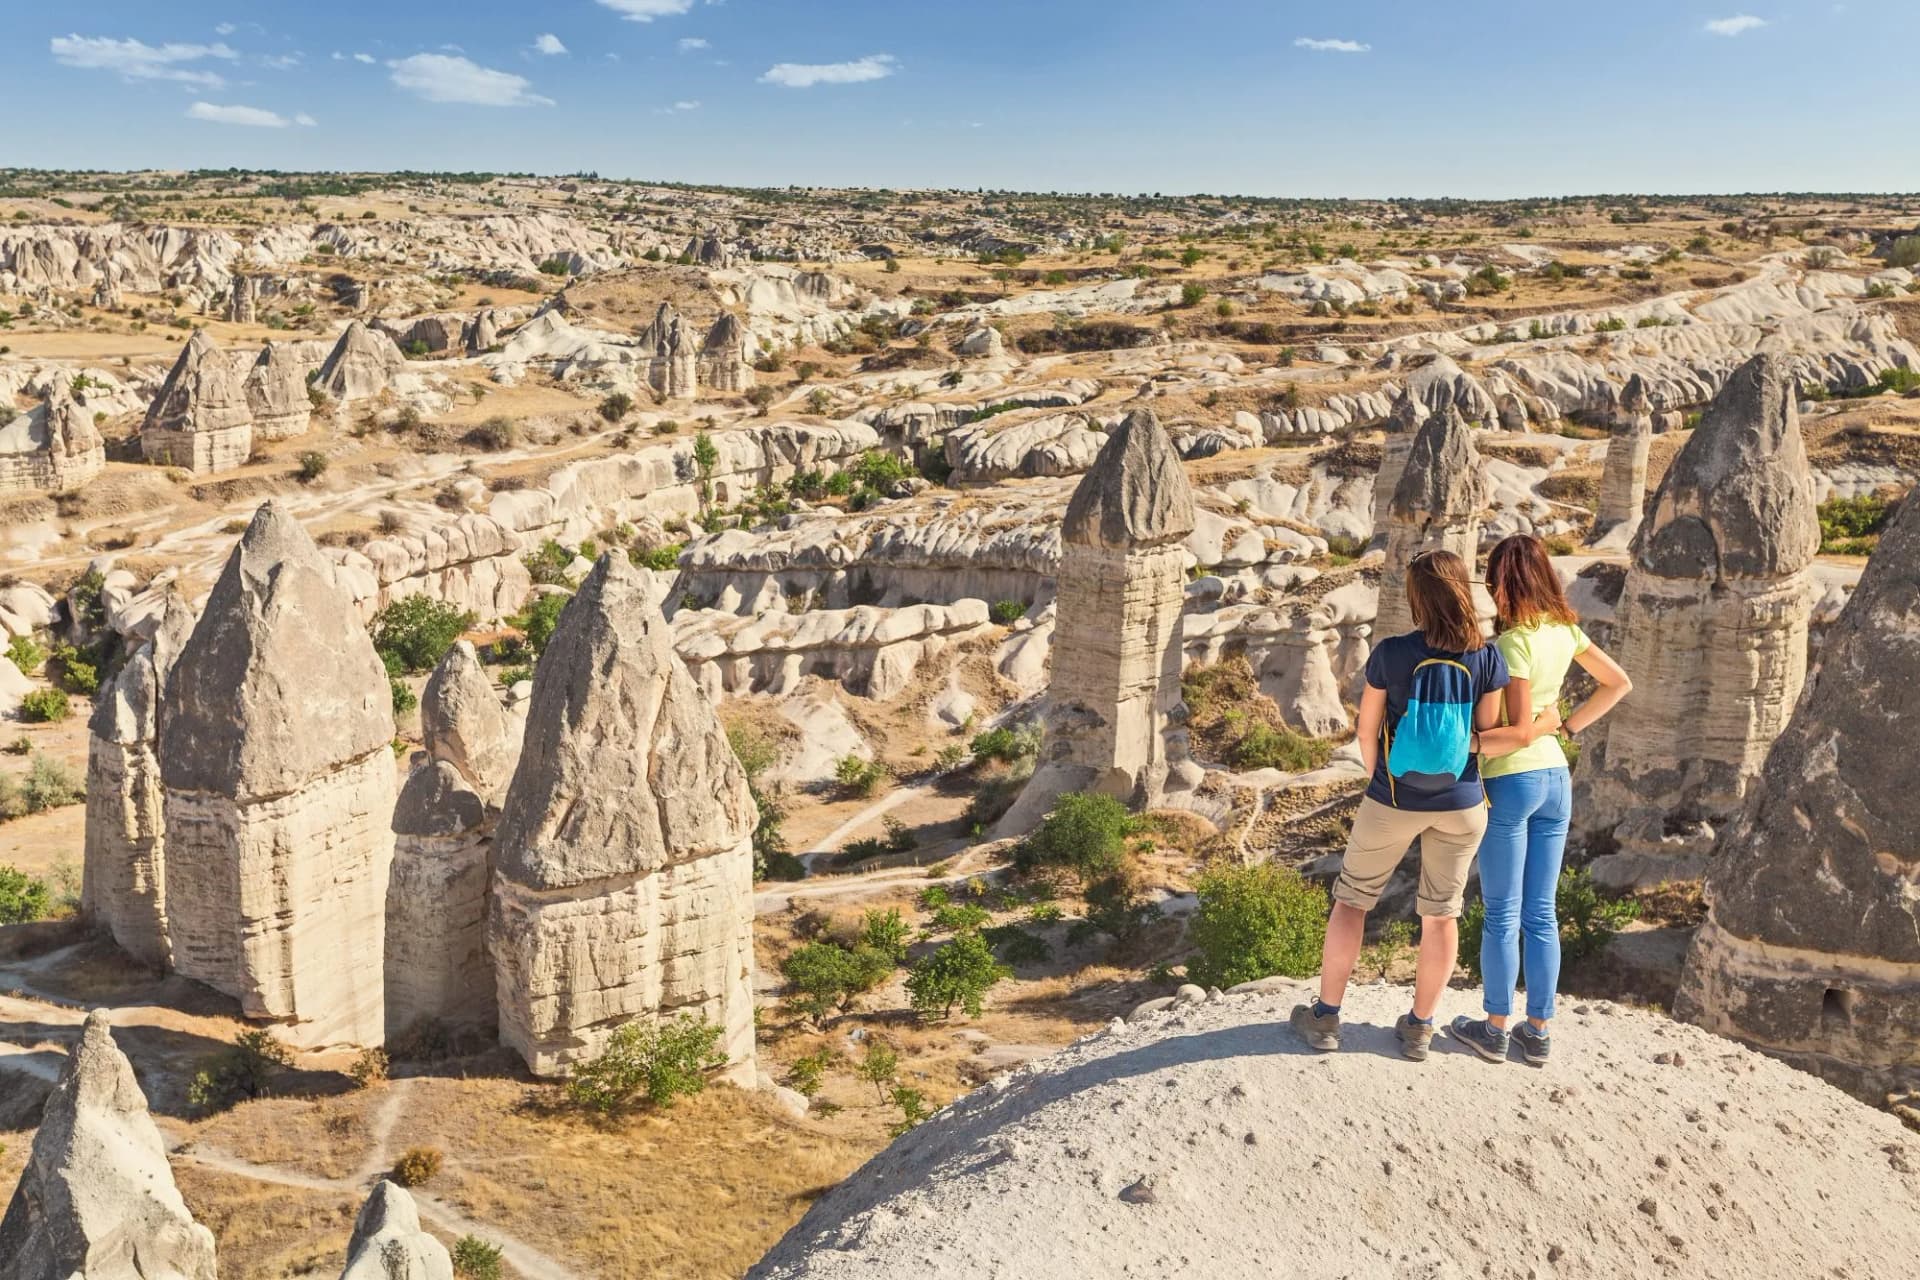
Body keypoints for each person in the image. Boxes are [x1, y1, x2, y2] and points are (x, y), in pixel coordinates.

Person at [1292, 549, 1561, 1061]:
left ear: (1416, 598)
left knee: (1352, 901)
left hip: (1394, 798)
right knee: (1441, 915)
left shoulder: (1392, 653)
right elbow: (1485, 734)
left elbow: (1366, 730)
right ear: (1462, 590)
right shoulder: (1485, 657)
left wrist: (1379, 780)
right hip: (1462, 804)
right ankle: (1419, 1027)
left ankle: (1325, 1018)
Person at [1448, 534, 1631, 1066]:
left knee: (1502, 913)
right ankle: (1539, 1030)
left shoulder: (1513, 644)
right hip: (1557, 779)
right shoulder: (1565, 630)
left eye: (1493, 578)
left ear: (1504, 583)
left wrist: (1480, 741)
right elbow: (1618, 682)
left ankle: (1495, 1028)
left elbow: (1520, 730)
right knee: (1542, 913)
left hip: (1513, 779)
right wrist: (1568, 726)